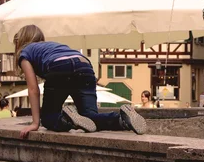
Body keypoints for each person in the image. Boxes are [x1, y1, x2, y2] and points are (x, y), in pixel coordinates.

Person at [13, 25, 147, 138]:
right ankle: (122, 119)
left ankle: (68, 120)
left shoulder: (26, 53)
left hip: (59, 67)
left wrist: (35, 123)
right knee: (90, 118)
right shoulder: (52, 46)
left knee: (48, 119)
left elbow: (33, 89)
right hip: (84, 65)